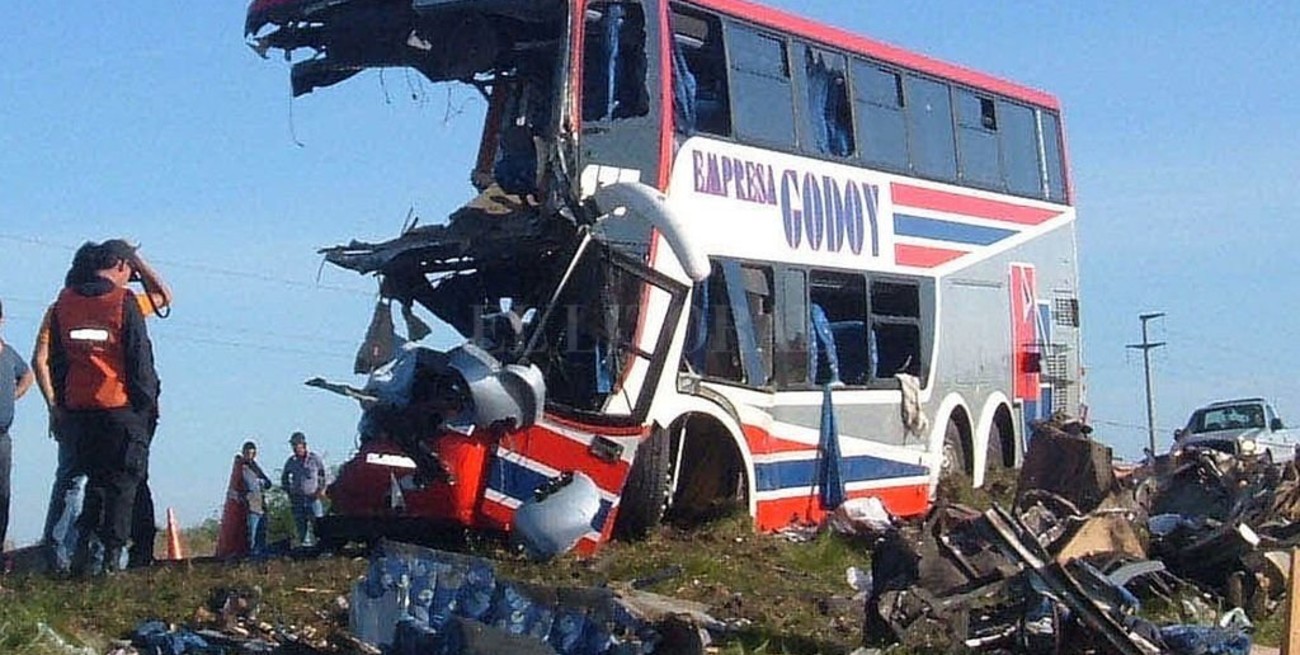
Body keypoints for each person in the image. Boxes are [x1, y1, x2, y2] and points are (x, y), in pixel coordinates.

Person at [33, 241, 171, 573]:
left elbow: (54, 361)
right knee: (124, 486)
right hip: (120, 408)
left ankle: (83, 560)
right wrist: (146, 405)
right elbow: (139, 358)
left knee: (94, 486)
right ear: (122, 265)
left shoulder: (62, 305)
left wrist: (60, 406)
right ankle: (112, 562)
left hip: (79, 411)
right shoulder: (122, 302)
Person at [0, 298, 36, 551]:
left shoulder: (8, 353)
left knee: (2, 498)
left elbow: (27, 375)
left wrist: (12, 395)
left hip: (2, 437)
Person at [281, 431, 328, 547]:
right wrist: (289, 492)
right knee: (301, 527)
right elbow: (284, 478)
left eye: (296, 445)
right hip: (298, 499)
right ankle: (305, 551)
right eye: (293, 445)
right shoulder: (291, 462)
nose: (294, 448)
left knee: (318, 525)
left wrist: (319, 491)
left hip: (313, 498)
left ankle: (322, 547)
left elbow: (322, 476)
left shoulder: (314, 459)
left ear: (303, 445)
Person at [238, 440, 273, 557]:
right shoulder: (241, 468)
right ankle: (252, 557)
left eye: (251, 453)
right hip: (251, 505)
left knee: (262, 535)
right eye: (247, 453)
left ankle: (261, 558)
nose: (249, 455)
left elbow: (268, 483)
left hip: (261, 505)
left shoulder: (255, 467)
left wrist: (261, 482)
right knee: (252, 535)